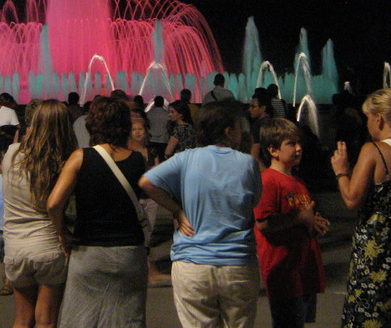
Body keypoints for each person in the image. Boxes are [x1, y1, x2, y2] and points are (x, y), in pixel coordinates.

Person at [139, 100, 262, 328]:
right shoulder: (247, 163)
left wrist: (177, 210)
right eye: (238, 126)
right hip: (237, 264)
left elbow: (146, 182)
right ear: (228, 131)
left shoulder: (186, 158)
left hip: (192, 264)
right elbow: (254, 201)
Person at [48, 96, 148, 328]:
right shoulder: (137, 160)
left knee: (82, 318)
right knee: (128, 318)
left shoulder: (81, 157)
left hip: (89, 250)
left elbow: (53, 203)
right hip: (130, 252)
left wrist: (61, 232)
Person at [331, 88, 391, 327]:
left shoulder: (374, 150)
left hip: (377, 250)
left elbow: (352, 199)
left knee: (372, 313)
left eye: (368, 118)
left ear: (378, 118)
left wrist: (341, 171)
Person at [3, 99, 77, 327]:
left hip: (15, 246)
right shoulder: (64, 162)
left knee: (22, 319)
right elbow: (56, 204)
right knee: (46, 321)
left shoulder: (12, 153)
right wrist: (63, 232)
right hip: (48, 245)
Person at [255, 118, 328, 328]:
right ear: (273, 150)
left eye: (299, 143)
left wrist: (312, 222)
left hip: (302, 269)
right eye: (291, 144)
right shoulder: (269, 180)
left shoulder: (296, 180)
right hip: (284, 272)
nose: (298, 149)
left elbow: (302, 214)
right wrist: (300, 217)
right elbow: (263, 223)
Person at [128, 114, 170, 286]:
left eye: (141, 129)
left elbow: (158, 172)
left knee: (148, 234)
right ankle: (149, 271)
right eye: (134, 129)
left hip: (150, 198)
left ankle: (146, 270)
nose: (138, 133)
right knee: (141, 235)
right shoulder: (128, 152)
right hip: (135, 198)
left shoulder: (151, 150)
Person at [249, 91, 272, 171]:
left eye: (253, 107)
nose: (250, 109)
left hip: (263, 169)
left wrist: (266, 174)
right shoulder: (273, 123)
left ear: (263, 108)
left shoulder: (257, 126)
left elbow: (254, 155)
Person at [147, 95, 170, 161]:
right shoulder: (167, 114)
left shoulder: (148, 113)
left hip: (151, 139)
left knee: (151, 160)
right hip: (163, 139)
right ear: (163, 103)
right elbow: (168, 127)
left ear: (154, 102)